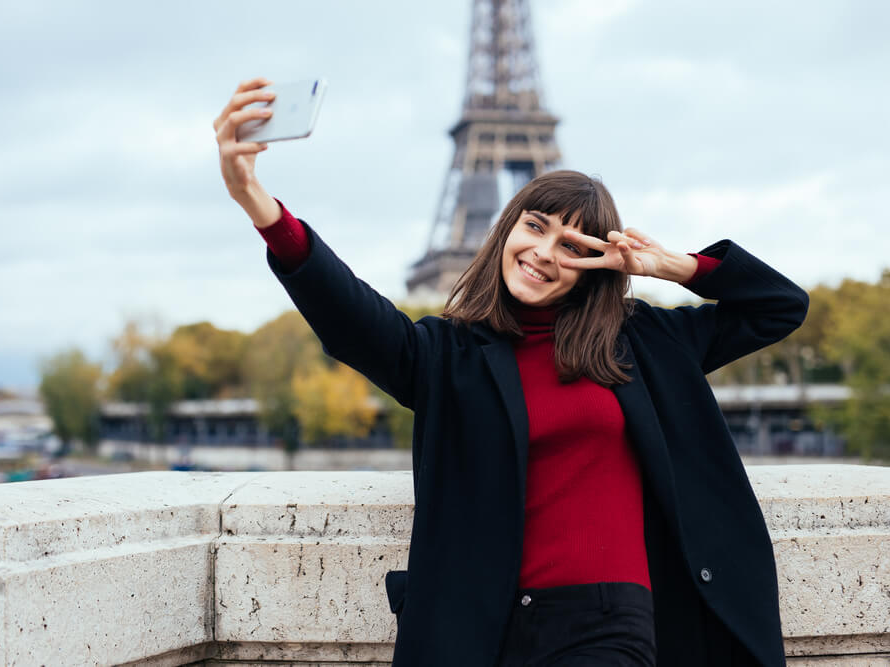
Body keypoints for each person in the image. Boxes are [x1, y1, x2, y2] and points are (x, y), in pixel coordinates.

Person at [214, 78, 808, 667]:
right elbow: (350, 316)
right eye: (535, 226)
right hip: (485, 630)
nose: (545, 252)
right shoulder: (450, 356)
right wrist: (258, 205)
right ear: (507, 229)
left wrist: (675, 266)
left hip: (606, 624)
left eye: (573, 245)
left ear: (593, 266)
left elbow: (779, 307)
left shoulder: (645, 342)